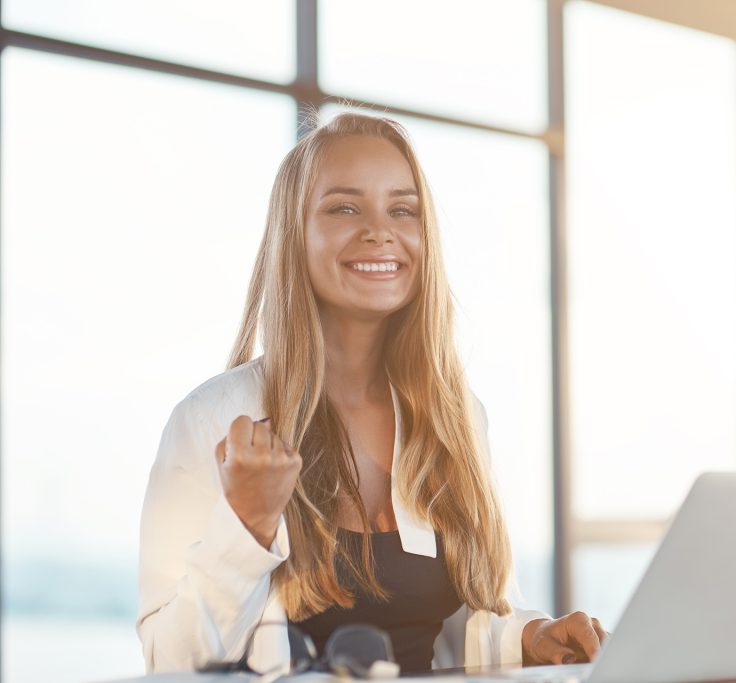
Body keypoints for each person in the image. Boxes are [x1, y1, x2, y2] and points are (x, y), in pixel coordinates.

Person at [137, 111, 606, 675]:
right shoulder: (212, 418)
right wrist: (246, 525)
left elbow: (470, 620)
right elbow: (168, 662)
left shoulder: (455, 416)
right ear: (296, 232)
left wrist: (532, 636)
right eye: (344, 207)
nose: (380, 231)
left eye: (402, 210)